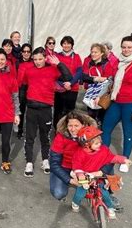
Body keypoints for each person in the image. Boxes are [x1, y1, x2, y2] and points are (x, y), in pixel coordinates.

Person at [100, 33, 132, 174]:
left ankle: (125, 160)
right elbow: (110, 81)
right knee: (106, 128)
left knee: (128, 132)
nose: (126, 50)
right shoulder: (118, 62)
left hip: (130, 104)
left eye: (129, 47)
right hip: (116, 102)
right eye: (123, 47)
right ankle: (103, 156)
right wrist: (99, 96)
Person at [20, 47, 72, 177]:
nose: (37, 62)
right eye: (35, 59)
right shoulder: (28, 70)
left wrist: (59, 64)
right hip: (31, 107)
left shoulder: (52, 69)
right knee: (30, 136)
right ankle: (29, 162)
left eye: (40, 59)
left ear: (45, 58)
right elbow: (23, 85)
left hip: (46, 108)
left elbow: (68, 77)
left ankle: (45, 160)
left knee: (45, 137)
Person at [70, 126, 131, 218]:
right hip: (84, 175)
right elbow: (77, 167)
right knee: (80, 193)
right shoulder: (80, 153)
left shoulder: (103, 150)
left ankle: (110, 207)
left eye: (100, 142)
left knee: (105, 193)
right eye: (96, 143)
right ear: (86, 144)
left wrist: (123, 160)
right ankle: (75, 203)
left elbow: (111, 157)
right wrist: (81, 177)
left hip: (97, 174)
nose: (99, 144)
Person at [49, 111, 96, 201]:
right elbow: (54, 163)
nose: (73, 129)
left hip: (83, 167)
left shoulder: (91, 135)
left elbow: (103, 154)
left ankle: (108, 193)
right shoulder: (60, 137)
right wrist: (70, 180)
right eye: (70, 126)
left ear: (84, 125)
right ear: (66, 126)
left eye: (76, 126)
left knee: (106, 164)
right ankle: (66, 181)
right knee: (59, 193)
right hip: (64, 167)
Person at [81, 43, 115, 126]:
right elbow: (83, 76)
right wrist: (95, 79)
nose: (93, 54)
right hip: (91, 94)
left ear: (102, 53)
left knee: (102, 118)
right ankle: (92, 135)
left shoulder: (107, 64)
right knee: (91, 118)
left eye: (95, 52)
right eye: (92, 52)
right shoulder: (89, 63)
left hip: (102, 96)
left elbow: (109, 81)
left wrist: (99, 96)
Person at [53, 36, 83, 129]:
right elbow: (54, 72)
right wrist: (63, 84)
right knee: (58, 110)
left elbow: (79, 72)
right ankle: (57, 129)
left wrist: (71, 83)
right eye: (64, 43)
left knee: (69, 111)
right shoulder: (57, 56)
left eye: (68, 43)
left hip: (72, 88)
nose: (66, 45)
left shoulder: (76, 56)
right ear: (62, 44)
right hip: (59, 88)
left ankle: (68, 129)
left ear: (72, 45)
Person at [16, 43, 33, 139]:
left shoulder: (33, 62)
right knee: (21, 110)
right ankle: (20, 129)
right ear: (21, 52)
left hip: (31, 88)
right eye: (24, 51)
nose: (26, 53)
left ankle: (30, 130)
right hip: (21, 88)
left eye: (28, 51)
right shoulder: (18, 63)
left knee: (30, 112)